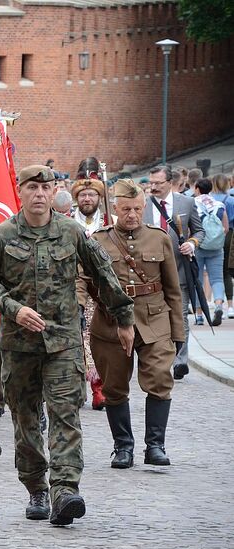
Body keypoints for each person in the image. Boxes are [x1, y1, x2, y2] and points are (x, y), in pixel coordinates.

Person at [0, 164, 135, 526]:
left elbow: (103, 275)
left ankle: (65, 489)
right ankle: (36, 488)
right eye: (32, 188)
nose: (40, 194)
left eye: (47, 188)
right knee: (26, 419)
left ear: (54, 192)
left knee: (66, 415)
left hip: (63, 343)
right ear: (22, 191)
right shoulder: (3, 236)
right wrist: (13, 310)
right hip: (19, 346)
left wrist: (124, 318)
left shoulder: (71, 232)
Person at [89, 179, 184, 468]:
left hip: (154, 321)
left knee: (159, 380)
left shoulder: (159, 238)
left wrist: (178, 332)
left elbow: (172, 289)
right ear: (115, 209)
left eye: (137, 209)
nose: (132, 214)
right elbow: (85, 281)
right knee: (115, 387)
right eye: (126, 209)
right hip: (111, 324)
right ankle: (123, 447)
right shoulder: (98, 240)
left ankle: (155, 445)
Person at [145, 165, 205, 380]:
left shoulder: (186, 203)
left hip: (179, 270)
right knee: (155, 319)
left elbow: (199, 230)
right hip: (150, 274)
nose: (153, 187)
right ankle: (160, 360)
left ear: (170, 182)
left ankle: (180, 361)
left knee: (180, 317)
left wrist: (192, 242)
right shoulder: (143, 204)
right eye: (150, 183)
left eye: (158, 183)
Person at [70, 176, 111, 410]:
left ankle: (101, 387)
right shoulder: (67, 222)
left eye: (92, 195)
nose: (87, 199)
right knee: (78, 340)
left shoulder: (109, 223)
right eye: (83, 195)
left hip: (102, 291)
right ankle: (79, 388)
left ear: (99, 198)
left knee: (99, 341)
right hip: (75, 289)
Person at [192, 177, 228, 325]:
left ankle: (199, 316)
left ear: (197, 189)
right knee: (217, 279)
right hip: (216, 248)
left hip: (198, 246)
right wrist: (215, 239)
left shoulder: (193, 204)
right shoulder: (219, 205)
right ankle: (219, 305)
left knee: (197, 280)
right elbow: (225, 228)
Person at [213, 173, 234, 318]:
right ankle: (231, 305)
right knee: (226, 272)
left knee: (214, 272)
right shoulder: (231, 200)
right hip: (230, 235)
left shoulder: (210, 199)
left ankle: (217, 302)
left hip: (212, 236)